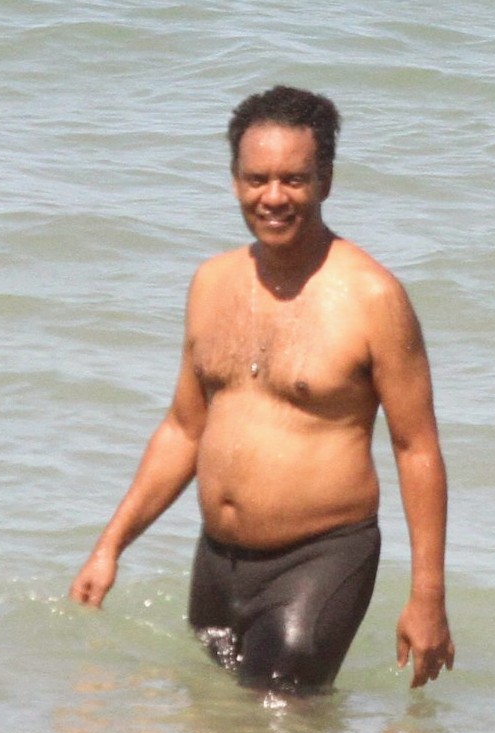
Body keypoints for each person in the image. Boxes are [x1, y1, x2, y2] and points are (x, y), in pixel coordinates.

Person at [71, 85, 454, 693]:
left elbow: (417, 449)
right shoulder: (211, 283)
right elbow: (182, 428)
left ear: (325, 181)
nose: (273, 197)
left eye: (293, 180)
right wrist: (110, 546)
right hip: (218, 564)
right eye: (256, 179)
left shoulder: (373, 298)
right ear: (233, 181)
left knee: (275, 721)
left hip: (321, 558)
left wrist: (427, 597)